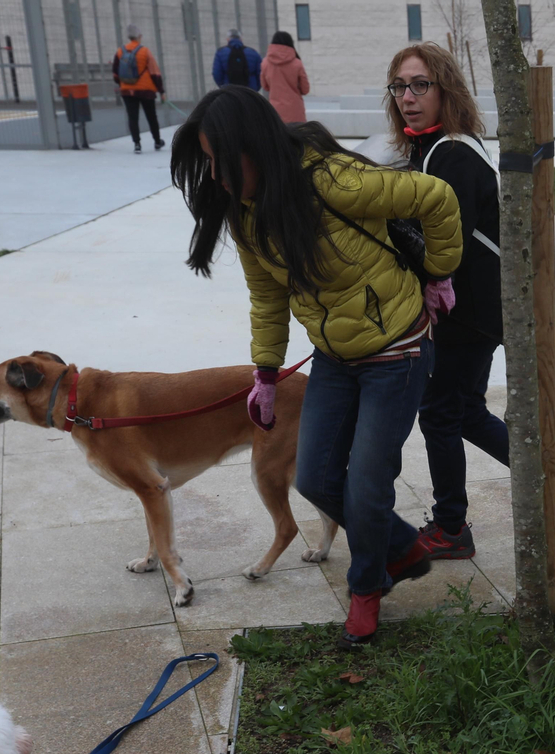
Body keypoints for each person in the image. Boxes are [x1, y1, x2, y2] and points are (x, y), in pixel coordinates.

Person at [169, 86, 464, 647]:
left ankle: (367, 586)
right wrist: (265, 373)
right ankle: (400, 546)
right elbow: (267, 297)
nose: (214, 175)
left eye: (219, 159)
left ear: (254, 147)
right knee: (315, 478)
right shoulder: (247, 214)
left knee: (367, 484)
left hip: (396, 349)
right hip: (334, 356)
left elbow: (438, 197)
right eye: (206, 161)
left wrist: (439, 271)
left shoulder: (335, 181)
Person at [385, 42, 555, 561]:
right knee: (466, 411)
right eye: (400, 87)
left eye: (420, 85)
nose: (408, 97)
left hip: (468, 310)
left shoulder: (451, 153)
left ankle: (451, 528)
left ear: (445, 89)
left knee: (439, 414)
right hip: (480, 306)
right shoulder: (435, 148)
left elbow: (442, 244)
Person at [112, 24, 165, 154]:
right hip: (146, 90)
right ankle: (157, 141)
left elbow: (115, 73)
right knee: (151, 116)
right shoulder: (145, 51)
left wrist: (123, 84)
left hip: (127, 91)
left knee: (132, 117)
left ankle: (137, 144)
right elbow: (155, 73)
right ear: (139, 36)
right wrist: (161, 91)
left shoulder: (120, 51)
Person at [260, 30, 310, 125]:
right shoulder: (297, 63)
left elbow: (265, 86)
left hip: (275, 111)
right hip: (295, 112)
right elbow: (305, 89)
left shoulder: (265, 63)